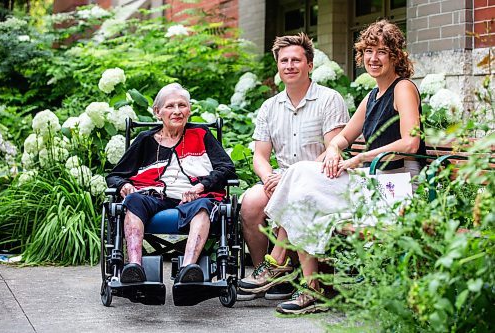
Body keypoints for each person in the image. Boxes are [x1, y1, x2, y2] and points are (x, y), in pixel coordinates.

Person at [259, 19, 427, 315]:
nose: (373, 59)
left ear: (396, 56)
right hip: (375, 183)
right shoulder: (372, 96)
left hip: (398, 187)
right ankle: (309, 286)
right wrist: (335, 149)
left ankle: (284, 262)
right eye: (368, 52)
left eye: (382, 52)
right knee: (302, 178)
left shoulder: (403, 89)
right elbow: (344, 137)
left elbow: (411, 143)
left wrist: (361, 157)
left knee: (303, 183)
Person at [238, 32, 350, 300]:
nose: (289, 65)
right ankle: (272, 276)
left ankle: (279, 266)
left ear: (309, 65)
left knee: (295, 195)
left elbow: (331, 150)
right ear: (278, 66)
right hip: (281, 179)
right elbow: (260, 156)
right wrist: (269, 178)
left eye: (296, 60)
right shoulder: (269, 107)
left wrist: (291, 180)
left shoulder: (328, 99)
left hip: (322, 179)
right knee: (252, 202)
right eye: (284, 60)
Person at [106, 83, 235, 284]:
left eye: (182, 105)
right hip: (153, 197)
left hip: (194, 198)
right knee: (133, 200)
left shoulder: (201, 135)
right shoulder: (145, 140)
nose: (177, 111)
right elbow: (115, 175)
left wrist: (202, 186)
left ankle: (189, 270)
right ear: (158, 112)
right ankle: (134, 268)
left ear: (189, 110)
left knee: (203, 206)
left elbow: (227, 168)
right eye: (170, 106)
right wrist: (123, 185)